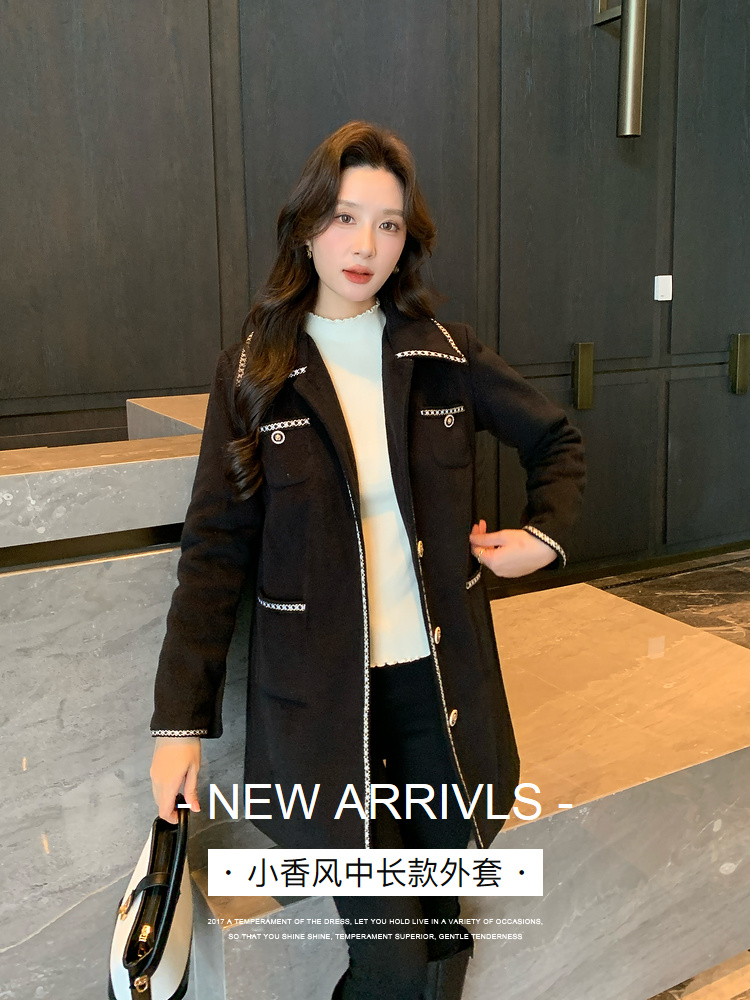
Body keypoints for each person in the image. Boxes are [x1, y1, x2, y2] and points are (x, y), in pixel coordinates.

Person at [149, 119, 586, 999]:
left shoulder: (443, 354)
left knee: (443, 930)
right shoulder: (253, 372)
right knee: (393, 953)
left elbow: (557, 441)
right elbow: (214, 554)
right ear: (308, 226)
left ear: (405, 242)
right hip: (323, 707)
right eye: (346, 218)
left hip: (438, 692)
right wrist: (177, 726)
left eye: (387, 225)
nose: (364, 246)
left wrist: (541, 537)